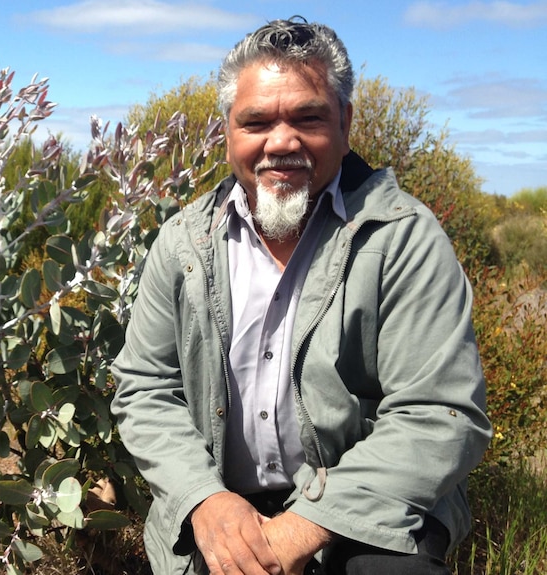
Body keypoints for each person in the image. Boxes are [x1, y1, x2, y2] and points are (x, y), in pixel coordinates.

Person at [110, 16, 492, 575]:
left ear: (345, 121)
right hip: (223, 504)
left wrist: (303, 526)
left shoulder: (403, 237)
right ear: (228, 132)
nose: (281, 141)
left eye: (308, 118)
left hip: (368, 513)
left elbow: (440, 411)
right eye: (256, 121)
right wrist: (203, 498)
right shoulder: (183, 241)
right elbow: (144, 387)